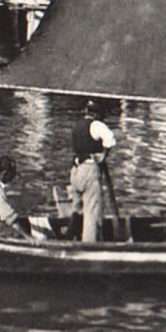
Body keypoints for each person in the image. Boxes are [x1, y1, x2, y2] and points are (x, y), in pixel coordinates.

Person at [65, 99, 116, 242]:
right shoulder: (96, 125)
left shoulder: (77, 126)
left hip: (75, 171)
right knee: (91, 211)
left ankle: (68, 239)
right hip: (89, 170)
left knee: (77, 209)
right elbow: (110, 139)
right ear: (99, 114)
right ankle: (88, 245)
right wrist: (104, 156)